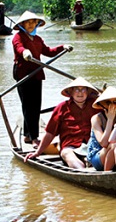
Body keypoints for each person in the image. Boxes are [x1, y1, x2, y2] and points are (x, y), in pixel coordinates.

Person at [12, 10, 73, 148]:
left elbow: (48, 52)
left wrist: (62, 47)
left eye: (33, 22)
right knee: (28, 105)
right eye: (28, 22)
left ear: (37, 24)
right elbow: (19, 48)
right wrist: (25, 52)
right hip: (23, 75)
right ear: (22, 24)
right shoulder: (18, 37)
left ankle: (27, 134)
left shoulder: (38, 39)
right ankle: (34, 138)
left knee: (36, 104)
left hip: (37, 73)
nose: (31, 25)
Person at [24, 77, 100, 169]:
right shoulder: (62, 108)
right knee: (67, 154)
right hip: (70, 147)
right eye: (76, 89)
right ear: (71, 92)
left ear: (88, 92)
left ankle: (90, 162)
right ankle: (82, 171)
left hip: (91, 146)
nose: (80, 93)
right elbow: (50, 134)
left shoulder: (96, 106)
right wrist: (38, 152)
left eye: (83, 89)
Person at [86, 87, 116, 171]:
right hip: (98, 156)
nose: (112, 105)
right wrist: (110, 120)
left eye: (115, 102)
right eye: (108, 103)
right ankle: (107, 173)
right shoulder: (96, 118)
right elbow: (103, 143)